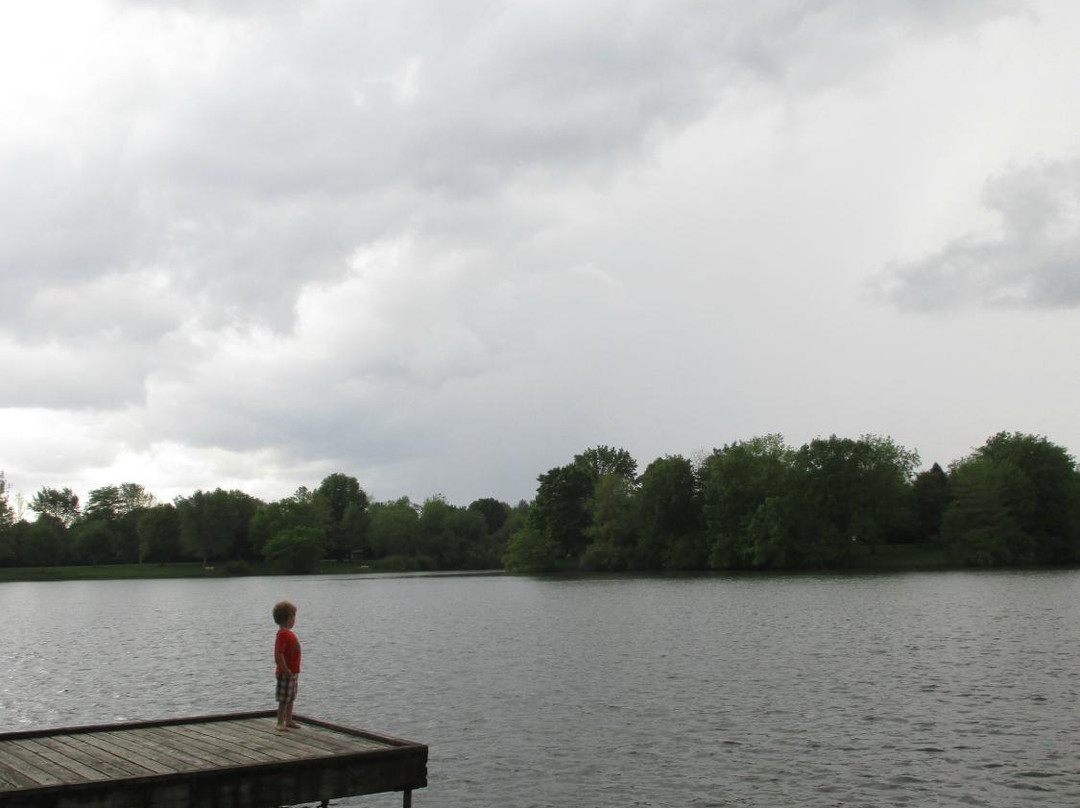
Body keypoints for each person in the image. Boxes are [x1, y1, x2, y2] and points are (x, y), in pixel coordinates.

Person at [272, 600, 302, 731]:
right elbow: (279, 653)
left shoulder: (287, 633)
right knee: (284, 699)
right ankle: (280, 722)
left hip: (293, 672)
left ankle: (289, 720)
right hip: (286, 672)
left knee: (291, 697)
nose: (294, 620)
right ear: (289, 618)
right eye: (293, 617)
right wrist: (285, 669)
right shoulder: (283, 634)